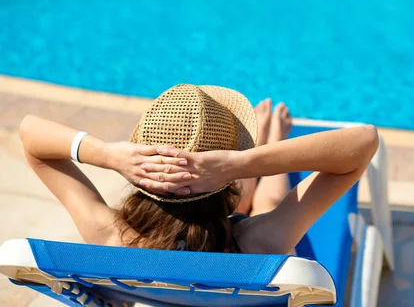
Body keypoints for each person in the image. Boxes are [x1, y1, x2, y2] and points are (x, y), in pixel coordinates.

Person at [18, 84, 378, 255]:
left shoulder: (112, 237)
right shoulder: (259, 243)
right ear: (226, 183)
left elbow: (31, 135)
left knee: (252, 209)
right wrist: (240, 162)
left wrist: (108, 155)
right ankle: (269, 143)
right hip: (232, 240)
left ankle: (262, 153)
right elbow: (363, 143)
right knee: (268, 202)